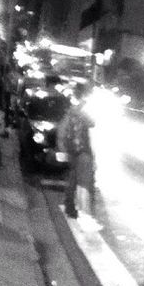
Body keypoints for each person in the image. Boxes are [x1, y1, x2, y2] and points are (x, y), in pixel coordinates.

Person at [59, 84, 96, 219]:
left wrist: (63, 149)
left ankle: (69, 206)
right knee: (81, 181)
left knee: (73, 178)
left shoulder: (70, 112)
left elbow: (62, 131)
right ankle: (78, 209)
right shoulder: (81, 112)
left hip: (73, 151)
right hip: (81, 151)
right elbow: (93, 123)